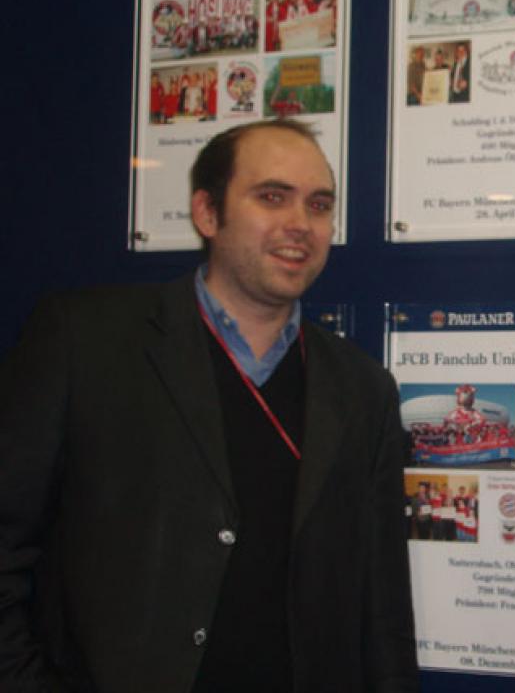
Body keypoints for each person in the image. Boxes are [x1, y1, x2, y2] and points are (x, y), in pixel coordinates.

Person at [0, 119, 419, 692]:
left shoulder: (363, 388)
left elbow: (384, 609)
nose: (301, 224)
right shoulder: (83, 342)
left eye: (319, 205)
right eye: (272, 197)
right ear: (206, 212)